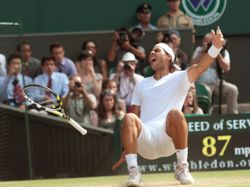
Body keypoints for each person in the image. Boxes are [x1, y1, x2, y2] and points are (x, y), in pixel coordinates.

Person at [118, 27, 225, 186]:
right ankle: (134, 173)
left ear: (168, 57)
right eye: (151, 52)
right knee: (128, 117)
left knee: (176, 113)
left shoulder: (180, 77)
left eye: (157, 50)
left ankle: (182, 167)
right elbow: (133, 119)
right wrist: (125, 147)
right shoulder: (141, 84)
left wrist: (216, 47)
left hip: (168, 139)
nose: (151, 53)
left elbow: (201, 66)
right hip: (146, 141)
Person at [191, 33, 239, 114]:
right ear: (203, 42)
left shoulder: (223, 50)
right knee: (206, 92)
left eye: (211, 43)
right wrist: (203, 51)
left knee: (233, 90)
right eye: (207, 42)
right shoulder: (199, 50)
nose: (209, 45)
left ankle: (233, 116)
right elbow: (192, 65)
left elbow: (226, 68)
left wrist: (217, 53)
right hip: (202, 84)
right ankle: (206, 116)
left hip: (217, 83)